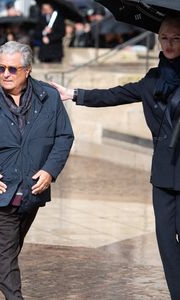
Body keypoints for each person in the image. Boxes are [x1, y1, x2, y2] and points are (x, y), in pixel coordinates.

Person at [51, 15, 180, 300]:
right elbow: (115, 94)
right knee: (166, 242)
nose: (169, 44)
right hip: (163, 173)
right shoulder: (152, 80)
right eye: (164, 38)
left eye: (176, 38)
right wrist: (73, 94)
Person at [0, 41, 74, 300]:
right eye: (0, 68)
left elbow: (64, 137)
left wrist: (50, 171)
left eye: (12, 69)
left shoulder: (49, 97)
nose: (5, 74)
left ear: (28, 70)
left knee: (8, 250)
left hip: (32, 190)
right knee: (8, 252)